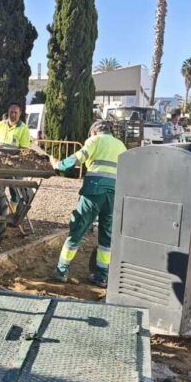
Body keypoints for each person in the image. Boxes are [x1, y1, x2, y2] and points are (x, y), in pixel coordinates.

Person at [51, 121, 126, 288]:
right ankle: (101, 277)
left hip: (94, 191)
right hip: (113, 193)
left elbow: (78, 158)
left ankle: (61, 271)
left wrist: (58, 165)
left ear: (94, 132)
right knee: (106, 235)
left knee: (78, 228)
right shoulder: (121, 145)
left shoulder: (95, 140)